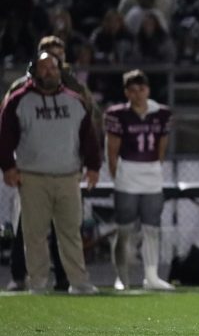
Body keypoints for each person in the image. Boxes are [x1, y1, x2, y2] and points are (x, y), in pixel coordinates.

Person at [0, 51, 100, 294]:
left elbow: (89, 136)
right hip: (32, 176)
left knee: (71, 232)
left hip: (68, 176)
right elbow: (5, 137)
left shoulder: (75, 100)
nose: (49, 72)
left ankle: (79, 281)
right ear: (34, 72)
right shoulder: (18, 101)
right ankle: (38, 283)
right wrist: (8, 167)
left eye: (53, 68)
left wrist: (94, 166)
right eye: (44, 68)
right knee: (34, 234)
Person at [104, 70, 174, 291]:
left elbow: (162, 147)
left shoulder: (161, 113)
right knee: (124, 229)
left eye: (141, 89)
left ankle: (151, 276)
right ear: (126, 92)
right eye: (132, 90)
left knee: (151, 227)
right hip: (128, 175)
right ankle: (122, 277)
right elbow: (111, 151)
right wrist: (119, 176)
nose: (137, 94)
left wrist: (154, 167)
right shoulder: (117, 114)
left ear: (148, 90)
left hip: (152, 175)